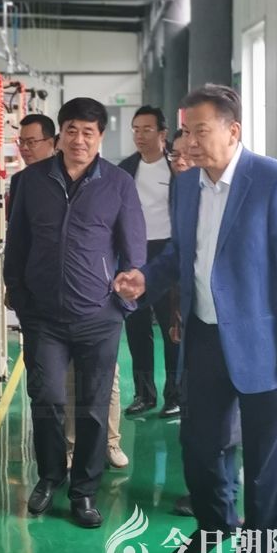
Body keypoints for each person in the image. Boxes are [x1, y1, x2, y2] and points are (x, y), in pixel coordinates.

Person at [115, 84, 277, 553]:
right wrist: (146, 278)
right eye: (186, 132)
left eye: (200, 131)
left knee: (265, 461)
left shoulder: (275, 181)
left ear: (233, 131)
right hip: (204, 337)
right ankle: (215, 525)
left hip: (265, 343)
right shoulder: (187, 185)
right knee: (200, 448)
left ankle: (259, 552)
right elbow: (181, 255)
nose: (189, 142)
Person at [4, 97, 146, 528]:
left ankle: (84, 492)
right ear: (60, 135)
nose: (79, 140)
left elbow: (134, 251)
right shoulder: (30, 181)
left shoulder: (118, 184)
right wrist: (20, 297)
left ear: (100, 136)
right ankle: (50, 477)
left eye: (88, 132)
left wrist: (123, 301)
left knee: (92, 407)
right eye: (71, 130)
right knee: (46, 398)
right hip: (44, 317)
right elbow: (17, 242)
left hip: (98, 316)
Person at [119, 106, 180, 418]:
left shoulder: (177, 167)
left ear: (162, 133)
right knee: (137, 327)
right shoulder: (126, 169)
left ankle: (175, 396)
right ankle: (144, 395)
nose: (140, 136)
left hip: (169, 254)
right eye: (136, 129)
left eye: (146, 129)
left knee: (172, 329)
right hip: (136, 254)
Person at [7, 113, 56, 217]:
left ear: (51, 143)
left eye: (31, 142)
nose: (24, 148)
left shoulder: (63, 176)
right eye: (21, 141)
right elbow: (15, 222)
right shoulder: (18, 179)